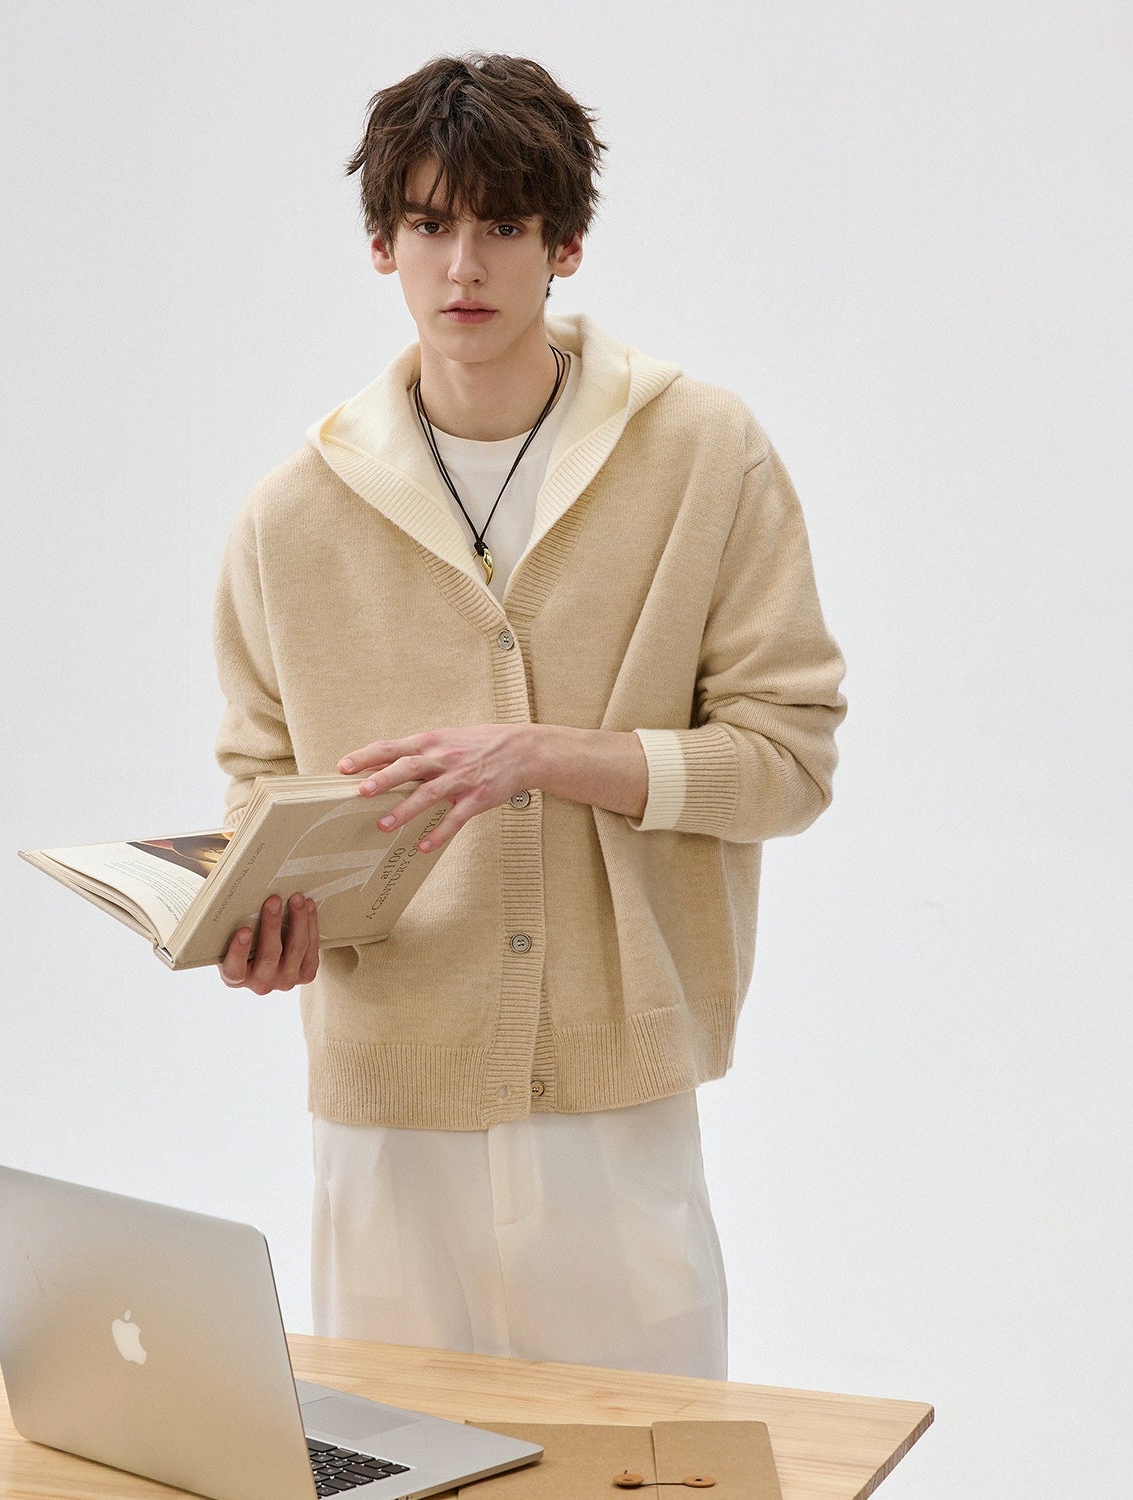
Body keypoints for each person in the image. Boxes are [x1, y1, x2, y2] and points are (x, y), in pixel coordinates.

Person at [212, 53, 845, 1380]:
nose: (465, 266)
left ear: (565, 244)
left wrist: (544, 756)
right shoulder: (290, 517)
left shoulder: (701, 455)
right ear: (381, 244)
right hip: (388, 1108)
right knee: (393, 1457)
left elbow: (786, 762)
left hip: (614, 1100)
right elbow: (259, 787)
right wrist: (261, 924)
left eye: (503, 226)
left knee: (651, 1461)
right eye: (431, 224)